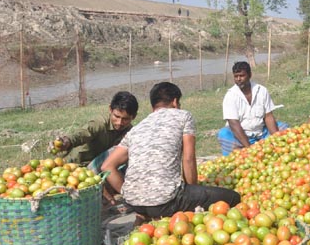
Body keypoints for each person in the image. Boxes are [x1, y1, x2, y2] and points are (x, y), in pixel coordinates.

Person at [101, 82, 240, 219]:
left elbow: (107, 166)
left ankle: (144, 215)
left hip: (134, 203)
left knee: (153, 207)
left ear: (153, 106)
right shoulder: (184, 116)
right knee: (233, 198)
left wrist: (129, 194)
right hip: (166, 202)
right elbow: (188, 159)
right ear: (175, 102)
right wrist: (194, 192)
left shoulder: (136, 129)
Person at [50, 91, 138, 208]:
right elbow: (81, 135)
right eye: (116, 116)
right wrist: (66, 141)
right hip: (79, 169)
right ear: (110, 110)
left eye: (125, 119)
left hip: (101, 169)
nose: (120, 122)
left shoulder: (130, 131)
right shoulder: (99, 123)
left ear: (134, 117)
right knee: (118, 150)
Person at [217, 61, 288, 156]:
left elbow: (268, 116)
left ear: (249, 75)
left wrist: (276, 139)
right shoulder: (230, 96)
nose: (239, 79)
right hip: (241, 136)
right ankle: (245, 150)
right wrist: (249, 148)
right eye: (236, 76)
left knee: (284, 127)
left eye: (242, 76)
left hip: (261, 133)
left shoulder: (261, 91)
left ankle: (262, 147)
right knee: (224, 134)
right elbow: (234, 124)